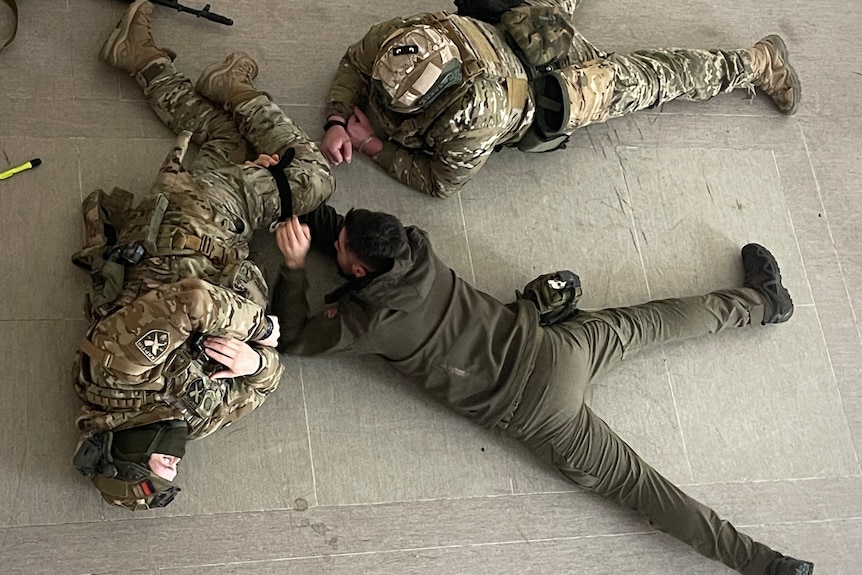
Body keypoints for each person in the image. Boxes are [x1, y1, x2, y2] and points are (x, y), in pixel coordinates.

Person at [269, 207, 813, 575]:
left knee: (641, 488)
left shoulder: (366, 324)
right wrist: (298, 205)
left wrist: (294, 267)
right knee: (655, 321)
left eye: (337, 247)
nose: (331, 242)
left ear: (361, 269)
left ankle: (764, 565)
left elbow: (293, 337)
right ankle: (765, 303)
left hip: (536, 413)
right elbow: (354, 237)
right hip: (556, 348)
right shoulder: (414, 245)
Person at [70, 0, 333, 511]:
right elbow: (262, 389)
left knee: (314, 180)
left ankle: (236, 89)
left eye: (164, 464)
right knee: (221, 136)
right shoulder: (182, 417)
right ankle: (140, 57)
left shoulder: (120, 374)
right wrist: (255, 362)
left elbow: (192, 300)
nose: (177, 459)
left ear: (132, 451)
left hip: (191, 222)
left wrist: (258, 330)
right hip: (223, 241)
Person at [320, 0, 801, 198]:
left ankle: (760, 63)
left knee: (655, 78)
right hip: (518, 23)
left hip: (556, 83)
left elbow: (441, 182)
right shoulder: (404, 39)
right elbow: (354, 63)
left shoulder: (474, 117)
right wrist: (337, 119)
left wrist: (372, 147)